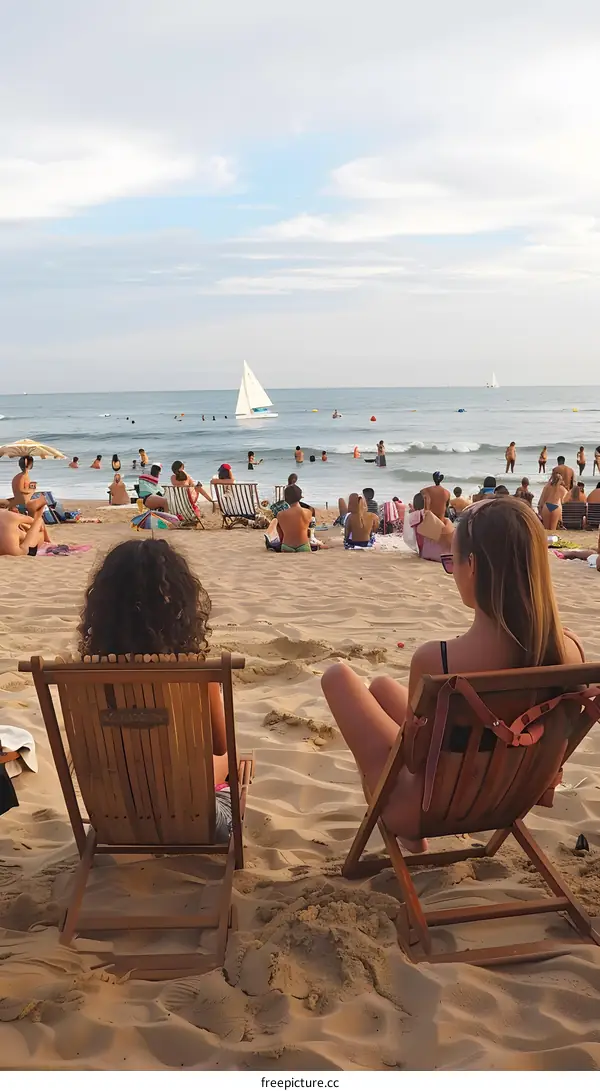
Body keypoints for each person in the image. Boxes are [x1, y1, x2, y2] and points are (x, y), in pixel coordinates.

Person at [321, 497, 584, 851]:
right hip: (509, 799)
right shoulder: (570, 651)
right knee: (382, 686)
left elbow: (414, 760)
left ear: (472, 566)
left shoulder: (437, 661)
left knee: (337, 677)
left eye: (452, 561)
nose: (453, 570)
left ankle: (412, 837)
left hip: (427, 811)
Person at [78, 539, 234, 838]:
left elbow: (88, 756)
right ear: (180, 604)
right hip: (194, 818)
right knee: (230, 760)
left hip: (114, 816)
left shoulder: (84, 677)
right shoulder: (198, 672)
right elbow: (219, 746)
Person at [276, 484, 313, 552]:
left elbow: (281, 535)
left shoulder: (280, 514)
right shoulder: (308, 512)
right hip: (303, 544)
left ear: (286, 498)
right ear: (300, 496)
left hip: (287, 545)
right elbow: (307, 531)